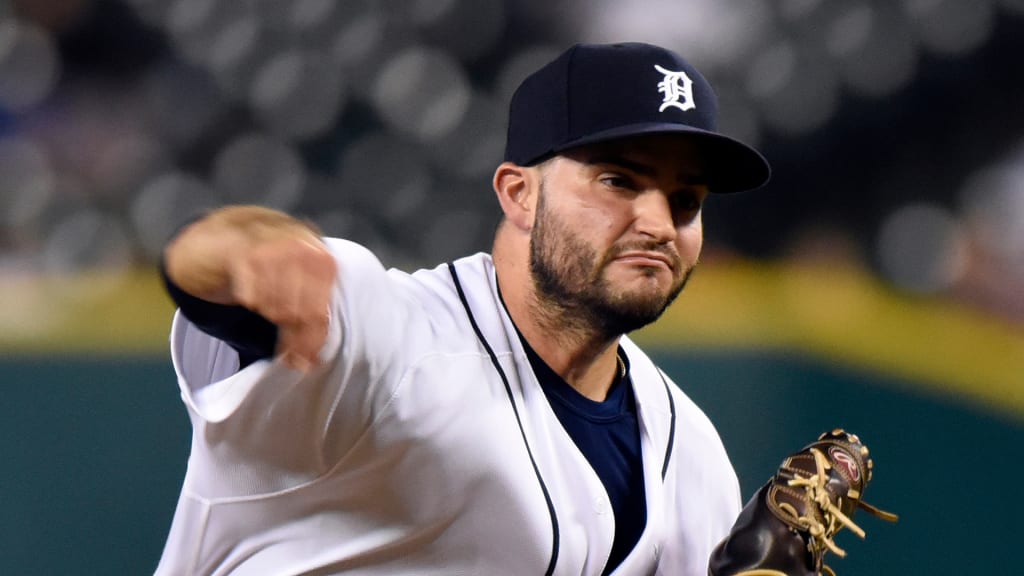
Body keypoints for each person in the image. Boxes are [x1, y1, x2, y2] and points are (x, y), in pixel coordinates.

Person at [155, 41, 771, 576]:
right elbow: (212, 269)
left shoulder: (694, 458)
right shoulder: (389, 338)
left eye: (686, 201)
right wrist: (236, 250)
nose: (659, 224)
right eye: (619, 181)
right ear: (519, 194)